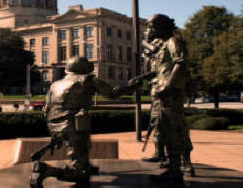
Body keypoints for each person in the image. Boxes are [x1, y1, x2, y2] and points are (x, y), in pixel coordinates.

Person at [29, 56, 119, 187]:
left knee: (81, 148)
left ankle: (84, 163)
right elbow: (113, 93)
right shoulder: (88, 80)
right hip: (73, 127)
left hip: (54, 126)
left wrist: (56, 131)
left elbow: (46, 109)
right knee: (81, 175)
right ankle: (46, 170)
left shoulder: (55, 84)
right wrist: (134, 86)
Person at [125, 14, 194, 183]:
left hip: (170, 92)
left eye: (152, 26)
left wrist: (169, 85)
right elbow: (159, 70)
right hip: (160, 92)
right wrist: (141, 78)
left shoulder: (173, 41)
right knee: (162, 125)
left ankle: (181, 166)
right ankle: (172, 167)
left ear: (162, 26)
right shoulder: (160, 45)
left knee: (175, 127)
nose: (149, 30)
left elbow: (180, 62)